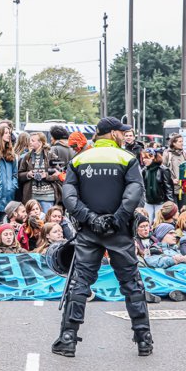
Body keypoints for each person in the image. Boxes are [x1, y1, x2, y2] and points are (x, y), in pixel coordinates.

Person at [55, 117, 152, 358]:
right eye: (122, 132)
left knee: (80, 283)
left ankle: (68, 338)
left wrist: (90, 218)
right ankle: (144, 339)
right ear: (112, 133)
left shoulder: (79, 159)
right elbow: (134, 192)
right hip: (119, 232)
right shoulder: (127, 158)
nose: (124, 135)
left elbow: (69, 197)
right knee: (131, 283)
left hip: (89, 231)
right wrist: (118, 218)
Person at [18, 132, 62, 214]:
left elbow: (59, 175)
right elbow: (19, 175)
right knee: (33, 222)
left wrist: (46, 175)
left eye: (33, 140)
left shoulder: (51, 156)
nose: (30, 142)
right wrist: (28, 174)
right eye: (30, 140)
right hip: (31, 196)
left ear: (40, 142)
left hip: (48, 197)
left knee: (47, 221)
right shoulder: (27, 157)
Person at [141, 149, 175, 223]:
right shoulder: (144, 170)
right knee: (147, 221)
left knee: (158, 222)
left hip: (161, 202)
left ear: (153, 157)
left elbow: (168, 187)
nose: (144, 160)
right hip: (148, 201)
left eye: (146, 158)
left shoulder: (163, 170)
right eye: (143, 158)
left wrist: (170, 203)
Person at [162, 134, 186, 210]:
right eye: (180, 141)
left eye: (182, 141)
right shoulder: (167, 154)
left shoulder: (184, 154)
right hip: (172, 188)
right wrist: (171, 180)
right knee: (173, 210)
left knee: (183, 209)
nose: (182, 143)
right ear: (174, 143)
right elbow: (163, 170)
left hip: (182, 188)